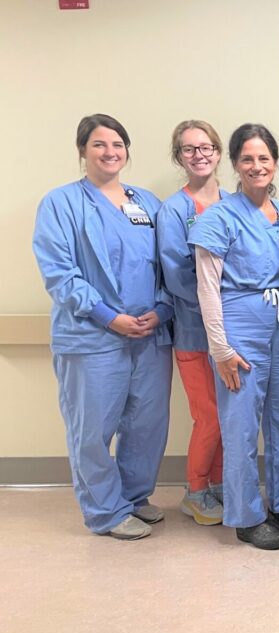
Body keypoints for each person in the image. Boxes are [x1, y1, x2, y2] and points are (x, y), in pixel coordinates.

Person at [33, 113, 172, 540]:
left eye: (117, 144)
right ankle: (105, 512)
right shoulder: (61, 204)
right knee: (92, 430)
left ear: (127, 151)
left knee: (147, 424)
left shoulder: (147, 203)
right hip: (92, 336)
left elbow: (172, 264)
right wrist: (109, 316)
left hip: (149, 334)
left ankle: (132, 498)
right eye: (99, 144)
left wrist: (163, 309)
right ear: (82, 150)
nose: (110, 152)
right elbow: (59, 273)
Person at [188, 123, 279, 551]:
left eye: (264, 158)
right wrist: (220, 348)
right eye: (248, 159)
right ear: (235, 164)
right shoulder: (219, 217)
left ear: (276, 163)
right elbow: (206, 287)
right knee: (240, 424)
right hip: (239, 327)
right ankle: (246, 514)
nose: (257, 166)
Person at [156, 120, 230, 526]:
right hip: (194, 333)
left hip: (233, 332)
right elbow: (177, 276)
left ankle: (218, 485)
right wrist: (219, 307)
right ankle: (196, 491)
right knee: (210, 416)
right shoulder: (174, 211)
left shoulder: (235, 203)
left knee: (228, 415)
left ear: (218, 153)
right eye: (189, 149)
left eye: (206, 147)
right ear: (179, 157)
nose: (199, 155)